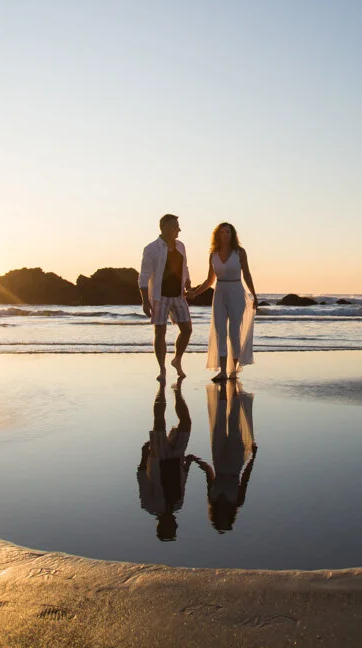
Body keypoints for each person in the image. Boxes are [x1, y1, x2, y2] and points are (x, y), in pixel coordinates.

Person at [188, 222, 258, 382]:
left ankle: (232, 369)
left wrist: (254, 294)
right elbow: (209, 280)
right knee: (220, 331)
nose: (226, 235)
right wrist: (195, 293)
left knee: (234, 332)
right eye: (222, 232)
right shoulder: (213, 253)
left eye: (228, 232)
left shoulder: (239, 252)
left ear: (232, 235)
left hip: (236, 292)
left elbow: (246, 274)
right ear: (217, 235)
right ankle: (222, 372)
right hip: (220, 292)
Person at [189, 380, 257, 533]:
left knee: (218, 423)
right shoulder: (238, 502)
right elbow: (246, 478)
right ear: (230, 518)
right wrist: (253, 457)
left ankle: (223, 386)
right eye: (225, 521)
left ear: (215, 518)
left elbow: (209, 475)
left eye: (220, 520)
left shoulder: (212, 500)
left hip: (218, 464)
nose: (223, 517)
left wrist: (196, 461)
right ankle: (233, 388)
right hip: (234, 464)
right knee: (234, 422)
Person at [136, 381, 193, 541]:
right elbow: (182, 484)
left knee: (159, 422)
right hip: (176, 459)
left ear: (160, 525)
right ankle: (177, 393)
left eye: (171, 528)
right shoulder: (178, 505)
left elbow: (143, 480)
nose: (174, 524)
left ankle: (161, 390)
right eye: (174, 528)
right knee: (186, 423)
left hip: (158, 460)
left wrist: (143, 455)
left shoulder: (150, 506)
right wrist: (187, 465)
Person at [139, 214, 192, 382]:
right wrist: (145, 301)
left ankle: (177, 359)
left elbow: (185, 267)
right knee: (160, 331)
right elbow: (144, 276)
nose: (179, 229)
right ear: (165, 227)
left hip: (178, 295)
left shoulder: (181, 246)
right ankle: (162, 369)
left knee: (187, 329)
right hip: (160, 296)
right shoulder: (151, 249)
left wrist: (188, 282)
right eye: (176, 226)